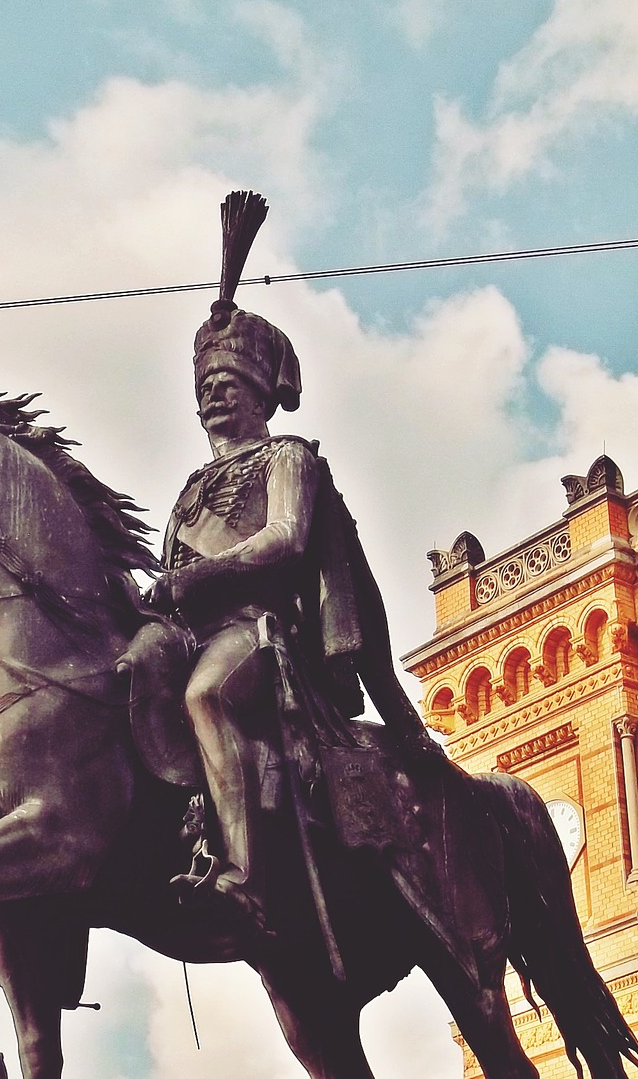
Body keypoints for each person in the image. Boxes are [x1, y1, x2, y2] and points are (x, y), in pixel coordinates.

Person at [143, 193, 433, 934]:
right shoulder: (189, 488)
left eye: (227, 385)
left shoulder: (288, 458)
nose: (212, 396)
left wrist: (201, 576)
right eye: (204, 387)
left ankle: (242, 872)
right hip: (193, 629)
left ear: (261, 394)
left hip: (261, 636)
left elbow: (285, 540)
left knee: (206, 696)